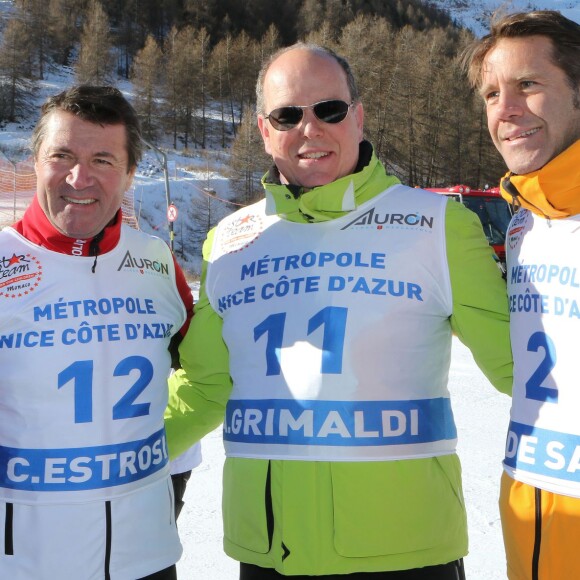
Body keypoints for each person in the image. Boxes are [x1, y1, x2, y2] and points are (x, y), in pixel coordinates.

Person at [166, 43, 512, 579]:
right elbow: (206, 387)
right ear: (263, 129)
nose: (310, 129)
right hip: (269, 551)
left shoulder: (439, 225)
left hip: (404, 551)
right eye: (288, 115)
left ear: (358, 117)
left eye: (329, 110)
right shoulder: (229, 242)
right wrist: (108, 452)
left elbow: (524, 369)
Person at [0, 85, 194, 580]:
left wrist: (173, 483)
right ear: (35, 160)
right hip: (27, 562)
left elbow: (203, 375)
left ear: (130, 174)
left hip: (145, 559)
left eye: (103, 160)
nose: (78, 177)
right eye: (61, 155)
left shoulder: (154, 261)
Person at [462, 10, 580, 580]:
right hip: (532, 516)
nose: (504, 110)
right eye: (491, 93)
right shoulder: (523, 220)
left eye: (528, 85)